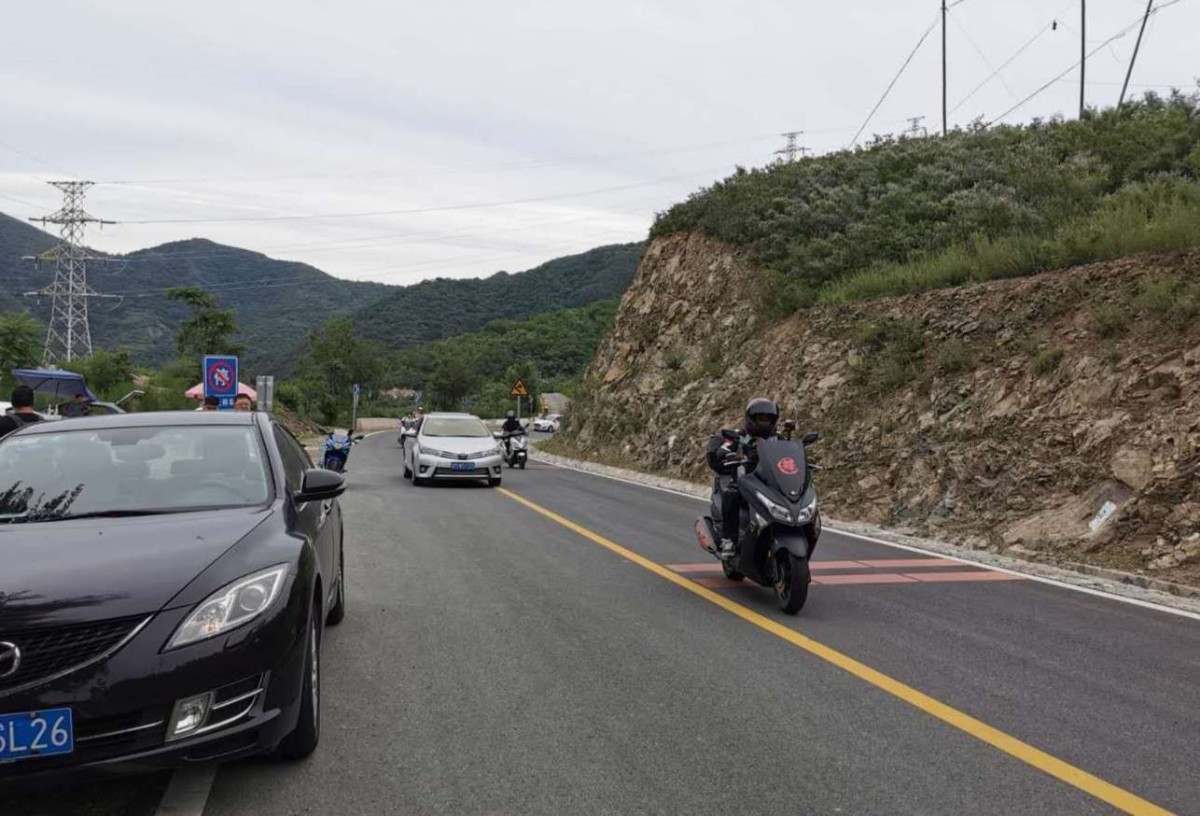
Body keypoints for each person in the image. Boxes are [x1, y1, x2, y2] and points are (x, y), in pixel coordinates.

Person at [704, 397, 780, 560]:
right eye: (760, 418)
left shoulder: (778, 439)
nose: (764, 422)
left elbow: (790, 453)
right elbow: (722, 449)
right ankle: (728, 540)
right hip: (746, 481)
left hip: (772, 483)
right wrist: (729, 454)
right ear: (750, 419)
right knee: (731, 493)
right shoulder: (739, 437)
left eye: (768, 419)